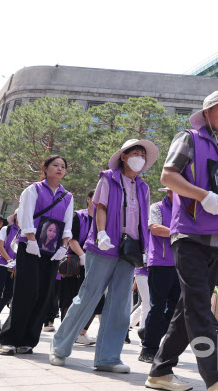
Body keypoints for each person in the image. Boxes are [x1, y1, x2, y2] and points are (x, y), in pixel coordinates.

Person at [145, 91, 218, 391]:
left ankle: (159, 372)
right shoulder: (189, 139)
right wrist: (203, 195)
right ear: (207, 113)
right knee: (200, 305)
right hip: (189, 234)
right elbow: (168, 176)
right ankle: (216, 375)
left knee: (187, 307)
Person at [50, 139, 156, 373]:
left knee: (119, 305)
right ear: (124, 156)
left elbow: (144, 219)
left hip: (130, 250)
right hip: (105, 245)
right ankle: (59, 347)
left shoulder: (144, 187)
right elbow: (101, 207)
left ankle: (108, 357)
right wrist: (101, 233)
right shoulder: (108, 177)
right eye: (135, 153)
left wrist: (147, 248)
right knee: (88, 296)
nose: (140, 156)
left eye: (143, 154)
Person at [0, 155, 73, 355]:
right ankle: (9, 339)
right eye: (55, 165)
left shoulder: (68, 196)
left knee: (43, 294)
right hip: (30, 247)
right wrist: (30, 240)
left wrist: (63, 247)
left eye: (63, 166)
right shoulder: (33, 190)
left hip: (52, 251)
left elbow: (67, 224)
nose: (59, 169)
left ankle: (28, 340)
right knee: (25, 292)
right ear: (45, 168)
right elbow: (25, 216)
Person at [138, 188, 181, 363]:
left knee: (173, 310)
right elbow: (155, 229)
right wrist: (180, 232)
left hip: (180, 265)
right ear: (169, 192)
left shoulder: (186, 210)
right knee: (157, 307)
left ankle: (148, 332)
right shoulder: (156, 207)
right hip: (160, 263)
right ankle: (148, 349)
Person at [58, 189, 102, 346]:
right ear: (89, 200)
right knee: (69, 299)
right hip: (75, 264)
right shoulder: (78, 216)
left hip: (95, 263)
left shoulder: (102, 218)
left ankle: (81, 333)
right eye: (95, 197)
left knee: (96, 300)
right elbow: (72, 239)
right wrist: (83, 256)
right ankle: (65, 332)